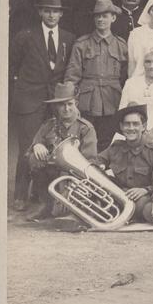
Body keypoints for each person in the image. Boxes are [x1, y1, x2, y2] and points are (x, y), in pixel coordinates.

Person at [10, 0, 75, 211]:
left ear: (60, 14)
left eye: (55, 11)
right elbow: (13, 66)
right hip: (29, 100)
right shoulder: (25, 36)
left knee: (52, 145)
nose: (51, 15)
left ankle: (41, 194)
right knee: (29, 146)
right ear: (40, 12)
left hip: (54, 100)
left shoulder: (68, 38)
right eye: (47, 10)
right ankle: (20, 194)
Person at [24, 82, 97, 221]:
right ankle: (46, 203)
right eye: (61, 105)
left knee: (62, 214)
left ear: (76, 102)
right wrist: (37, 145)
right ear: (56, 106)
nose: (66, 108)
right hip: (51, 174)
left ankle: (69, 206)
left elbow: (90, 160)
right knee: (34, 158)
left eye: (69, 103)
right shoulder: (49, 125)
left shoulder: (86, 128)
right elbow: (31, 149)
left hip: (75, 177)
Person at [64, 0, 129, 151]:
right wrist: (71, 104)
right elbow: (72, 77)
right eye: (97, 16)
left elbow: (126, 77)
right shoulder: (82, 44)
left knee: (107, 144)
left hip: (112, 102)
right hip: (87, 103)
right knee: (85, 142)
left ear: (113, 18)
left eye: (105, 16)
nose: (100, 19)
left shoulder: (121, 45)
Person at [93, 103, 153, 226]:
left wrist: (144, 190)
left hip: (143, 197)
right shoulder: (115, 148)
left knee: (142, 207)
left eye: (135, 124)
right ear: (121, 126)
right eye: (127, 124)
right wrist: (99, 166)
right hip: (120, 194)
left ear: (144, 126)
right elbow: (96, 161)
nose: (131, 128)